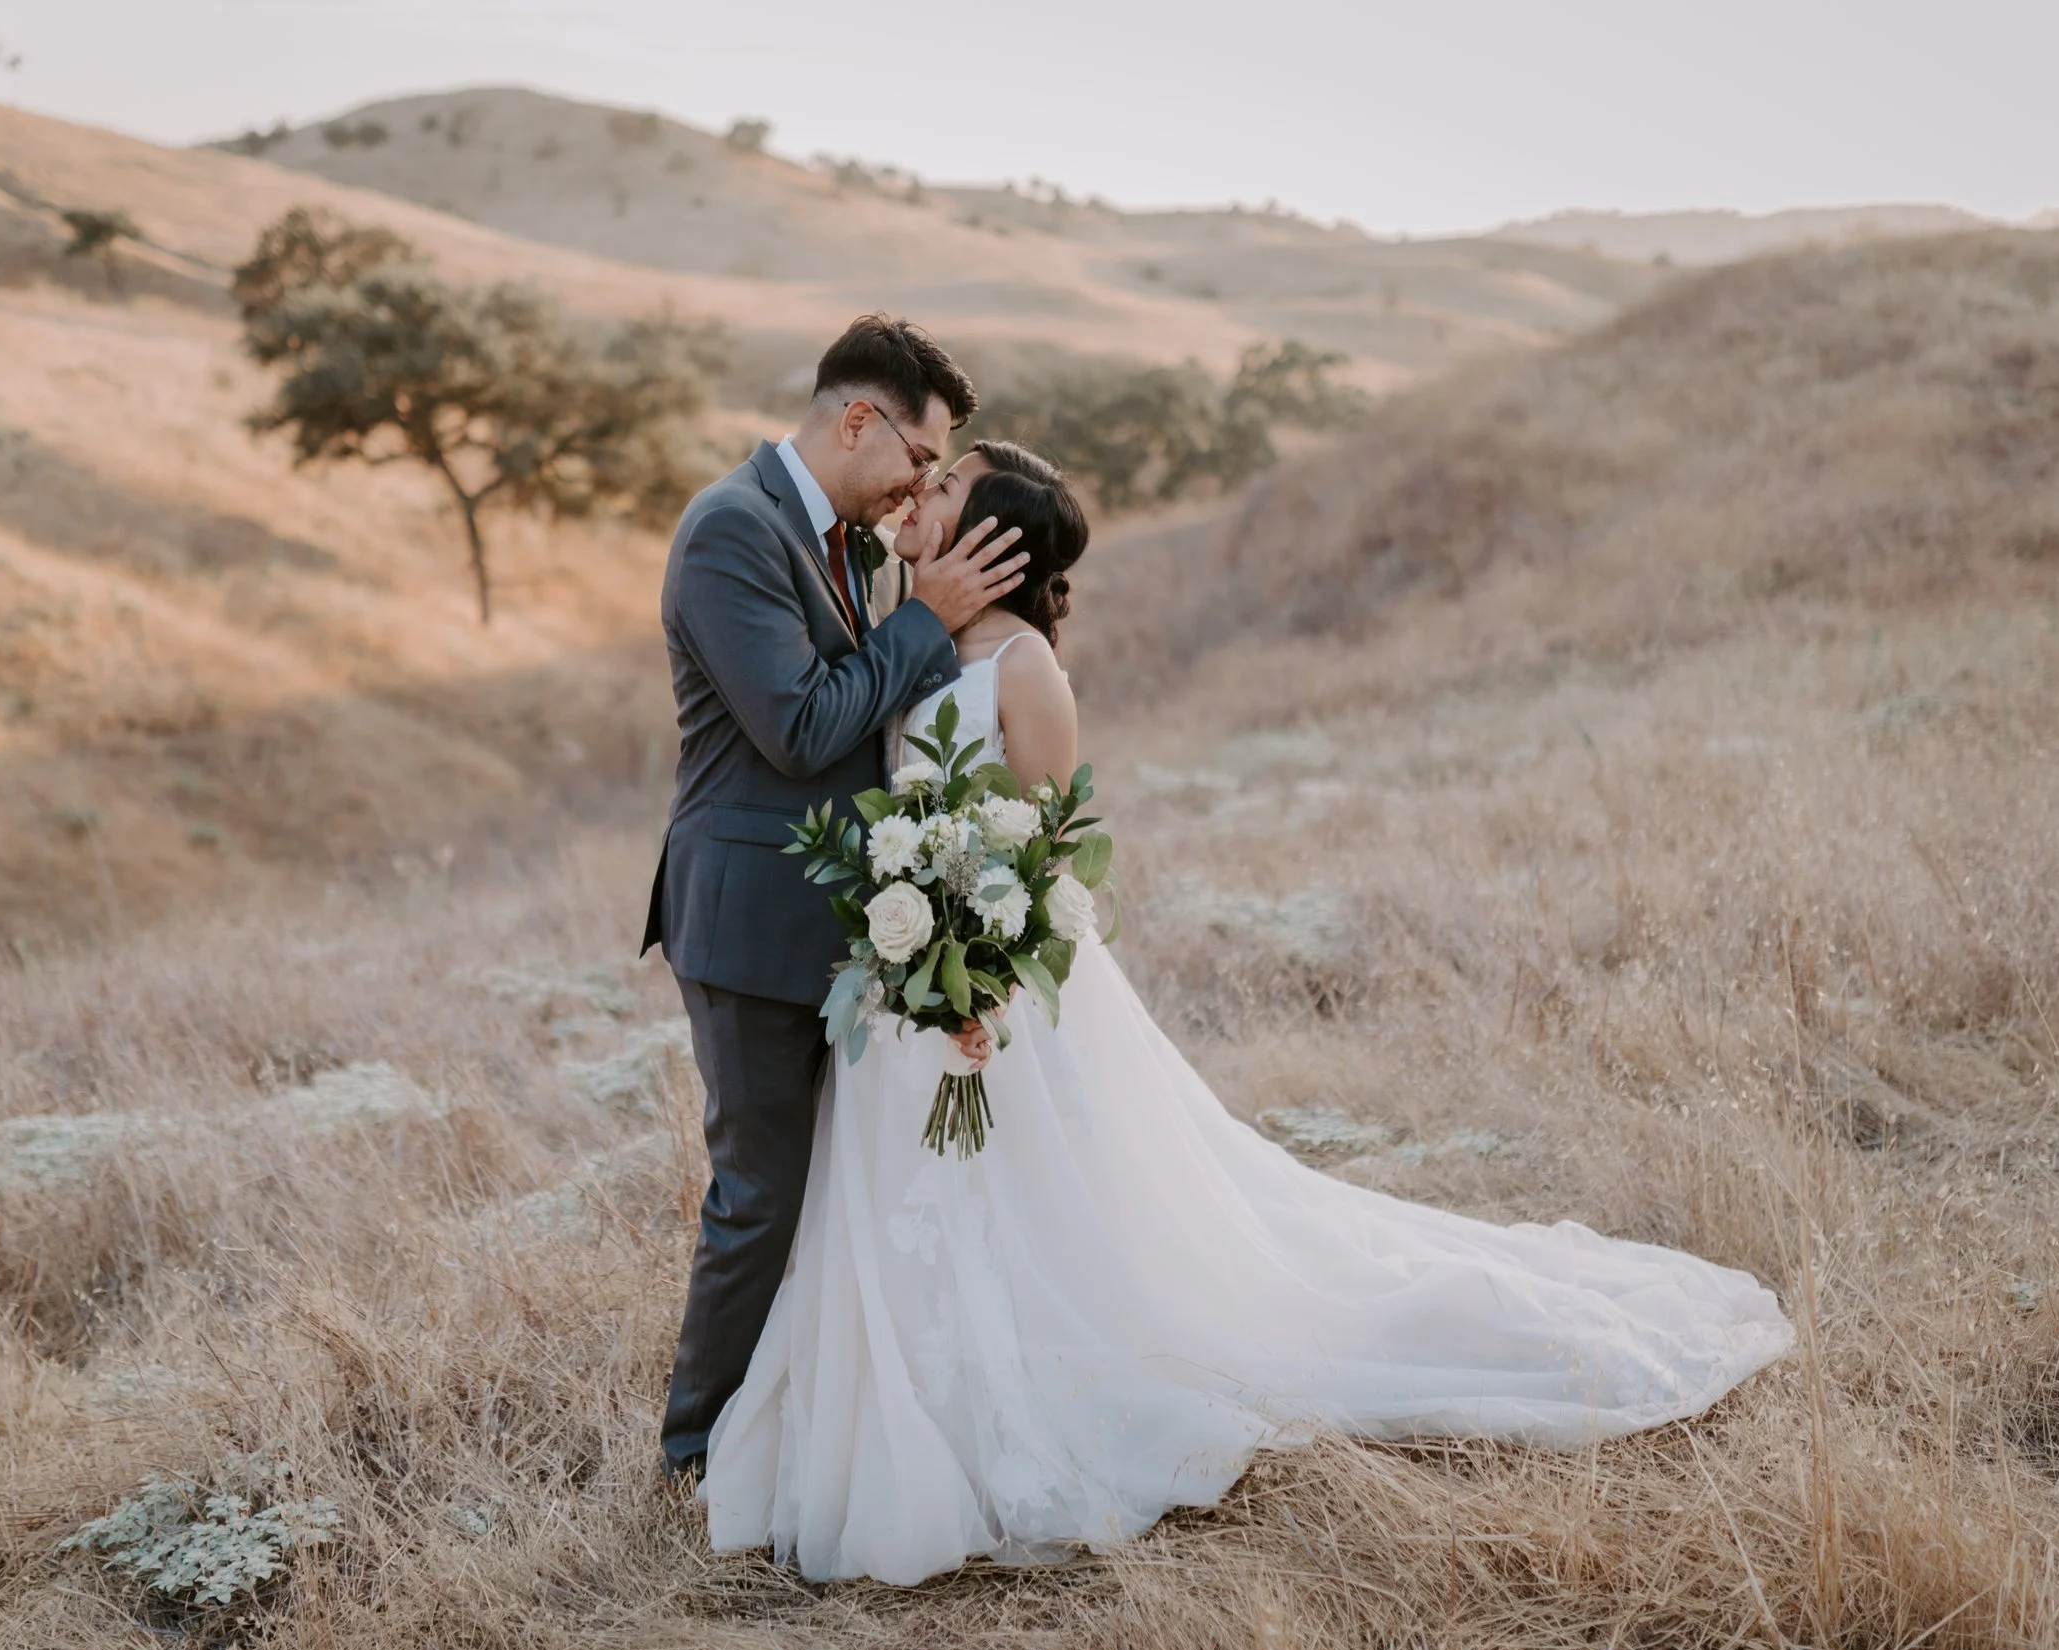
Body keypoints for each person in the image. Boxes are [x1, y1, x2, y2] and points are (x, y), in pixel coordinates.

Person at [699, 441, 1797, 1585]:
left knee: (1055, 1220)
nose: (917, 499)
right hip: (901, 1000)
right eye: (923, 484)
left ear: (993, 543)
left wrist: (975, 981)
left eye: (945, 491)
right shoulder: (905, 636)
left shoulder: (1025, 671)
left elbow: (1045, 854)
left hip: (994, 1000)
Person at [641, 314, 1031, 1481]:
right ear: (857, 419)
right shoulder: (730, 530)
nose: (918, 486)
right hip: (748, 916)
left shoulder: (850, 546)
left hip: (843, 921)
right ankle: (694, 1455)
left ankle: (799, 1424)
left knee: (833, 1193)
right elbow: (803, 727)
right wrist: (929, 619)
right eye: (918, 458)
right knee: (759, 1195)